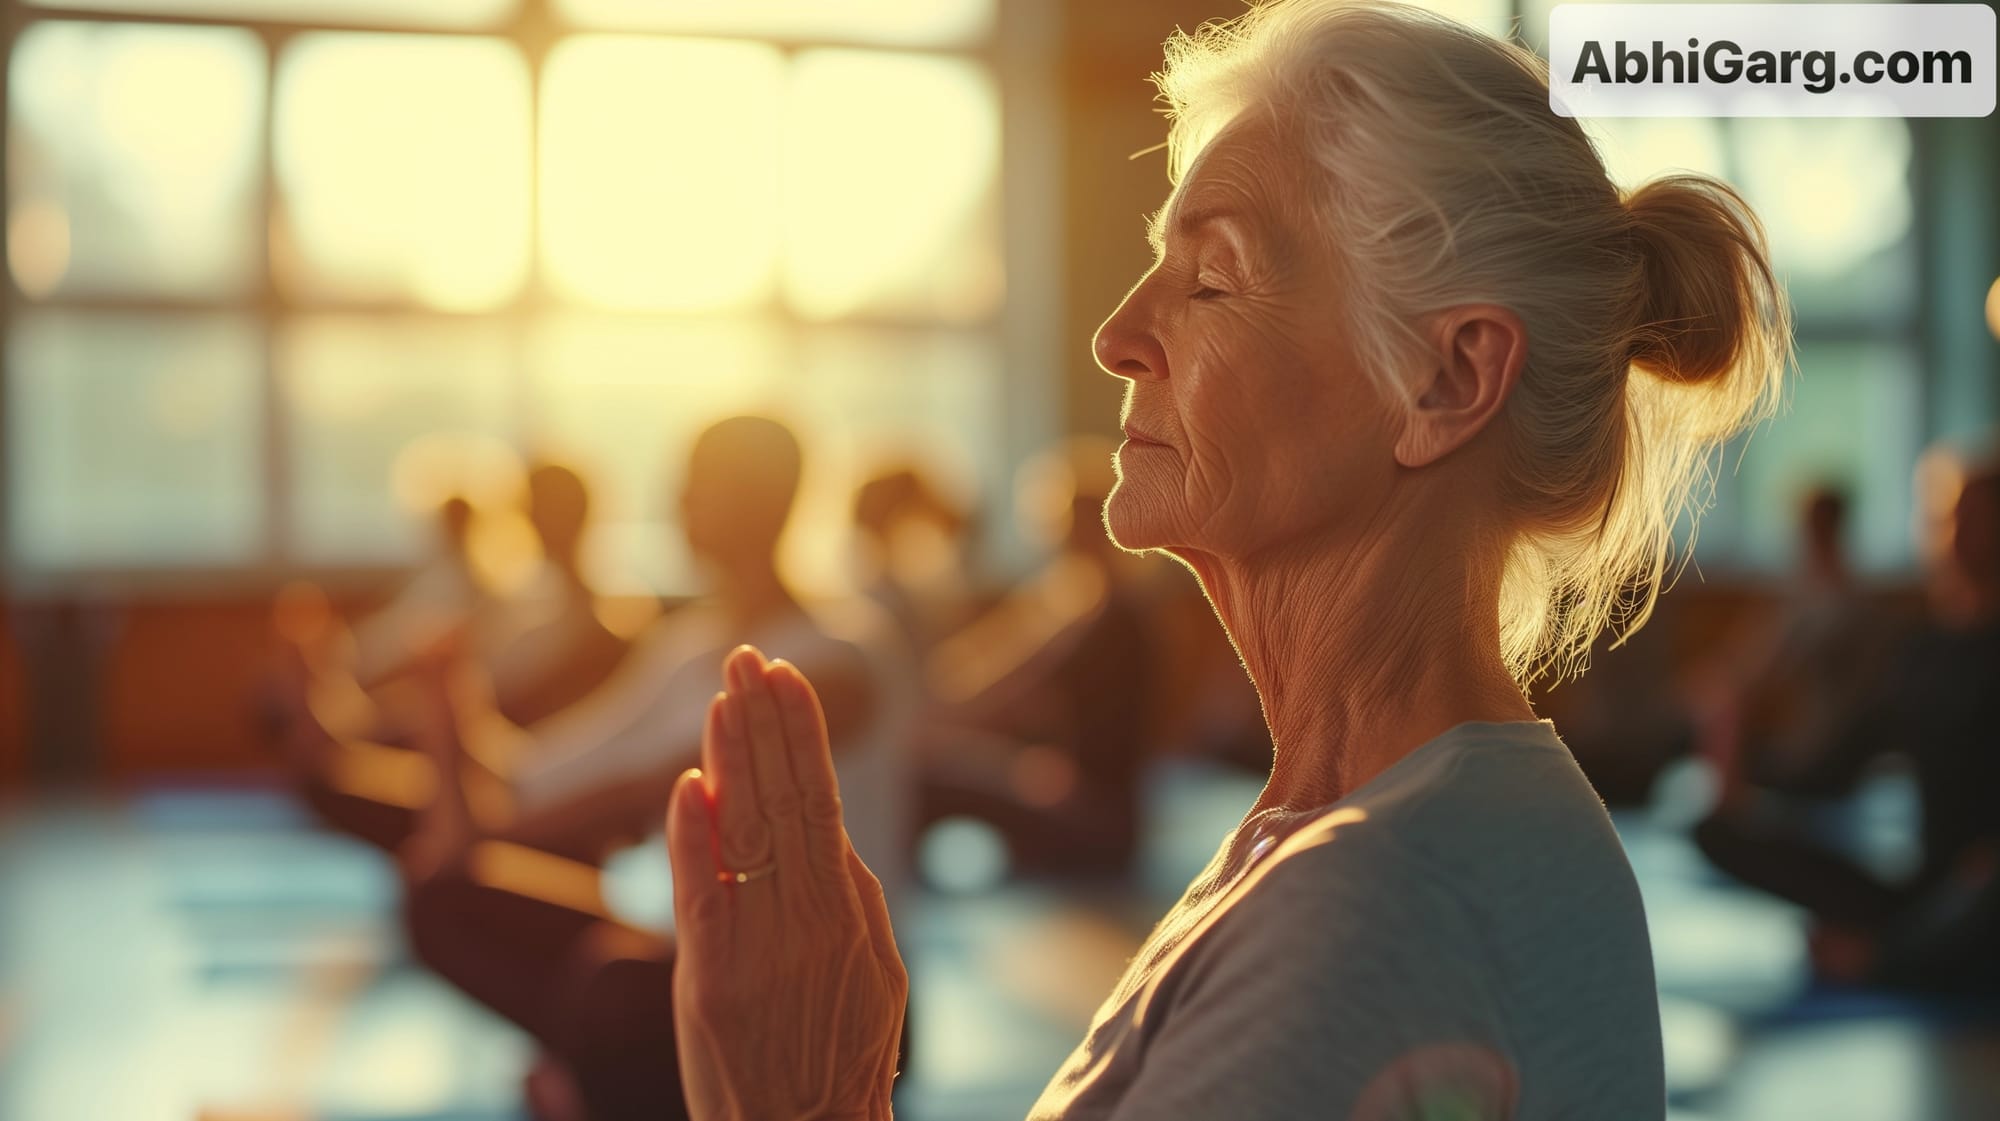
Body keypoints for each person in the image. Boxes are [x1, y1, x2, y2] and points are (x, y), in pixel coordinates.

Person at [661, 2, 1791, 1118]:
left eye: (1210, 278)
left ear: (1445, 381)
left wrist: (799, 1104)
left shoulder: (1377, 906)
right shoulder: (1346, 834)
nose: (1116, 333)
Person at [282, 416, 912, 1121]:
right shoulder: (684, 648)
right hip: (706, 959)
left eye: (698, 484)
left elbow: (652, 784)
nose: (677, 503)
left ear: (765, 496)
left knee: (612, 981)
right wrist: (444, 700)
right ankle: (590, 1072)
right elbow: (537, 770)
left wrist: (494, 824)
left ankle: (588, 1077)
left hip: (838, 1000)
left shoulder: (841, 656)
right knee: (446, 897)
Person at [1695, 463, 2000, 993]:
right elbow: (1827, 772)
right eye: (1952, 516)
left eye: (1978, 517)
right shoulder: (1921, 652)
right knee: (1713, 830)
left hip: (1986, 889)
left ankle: (1887, 957)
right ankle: (1910, 942)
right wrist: (1733, 755)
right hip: (1929, 891)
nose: (1958, 532)